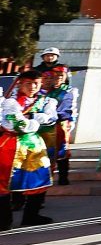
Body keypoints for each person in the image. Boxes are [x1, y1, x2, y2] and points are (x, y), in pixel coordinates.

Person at [2, 70, 58, 229]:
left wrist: (29, 120)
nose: (32, 87)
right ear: (20, 83)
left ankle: (31, 215)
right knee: (4, 182)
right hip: (11, 144)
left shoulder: (47, 101)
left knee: (39, 179)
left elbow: (51, 119)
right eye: (28, 83)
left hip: (35, 144)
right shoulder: (9, 102)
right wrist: (35, 120)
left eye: (36, 83)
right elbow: (13, 124)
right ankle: (4, 220)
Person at [38, 64, 75, 186]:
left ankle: (63, 177)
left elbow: (66, 111)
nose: (50, 80)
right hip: (40, 126)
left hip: (59, 125)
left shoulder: (65, 92)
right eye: (46, 78)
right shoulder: (40, 93)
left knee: (61, 151)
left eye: (60, 76)